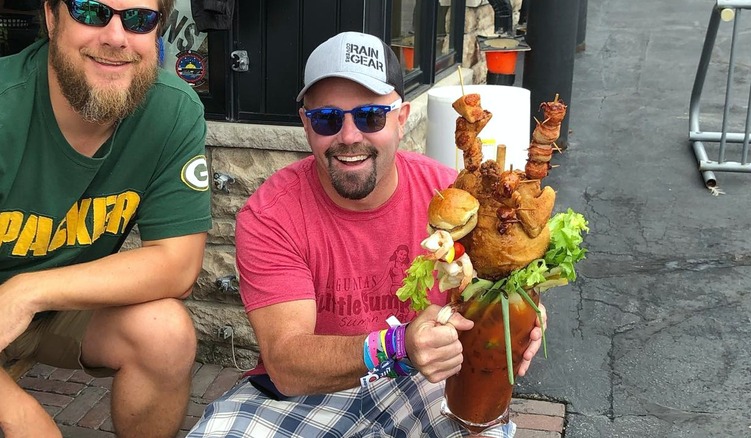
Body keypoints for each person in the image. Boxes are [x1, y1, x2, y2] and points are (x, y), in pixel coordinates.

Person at [187, 31, 545, 438]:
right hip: (310, 392)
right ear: (306, 124)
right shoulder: (271, 214)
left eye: (371, 115)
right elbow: (286, 364)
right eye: (327, 118)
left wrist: (523, 313)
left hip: (424, 382)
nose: (349, 136)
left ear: (401, 118)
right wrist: (397, 345)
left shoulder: (454, 199)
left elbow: (500, 283)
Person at [0, 0, 211, 436]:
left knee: (164, 334)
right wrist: (17, 412)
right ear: (52, 16)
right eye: (90, 11)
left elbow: (177, 263)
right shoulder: (7, 105)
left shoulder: (170, 110)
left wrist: (27, 292)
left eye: (138, 18)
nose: (116, 37)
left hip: (48, 306)